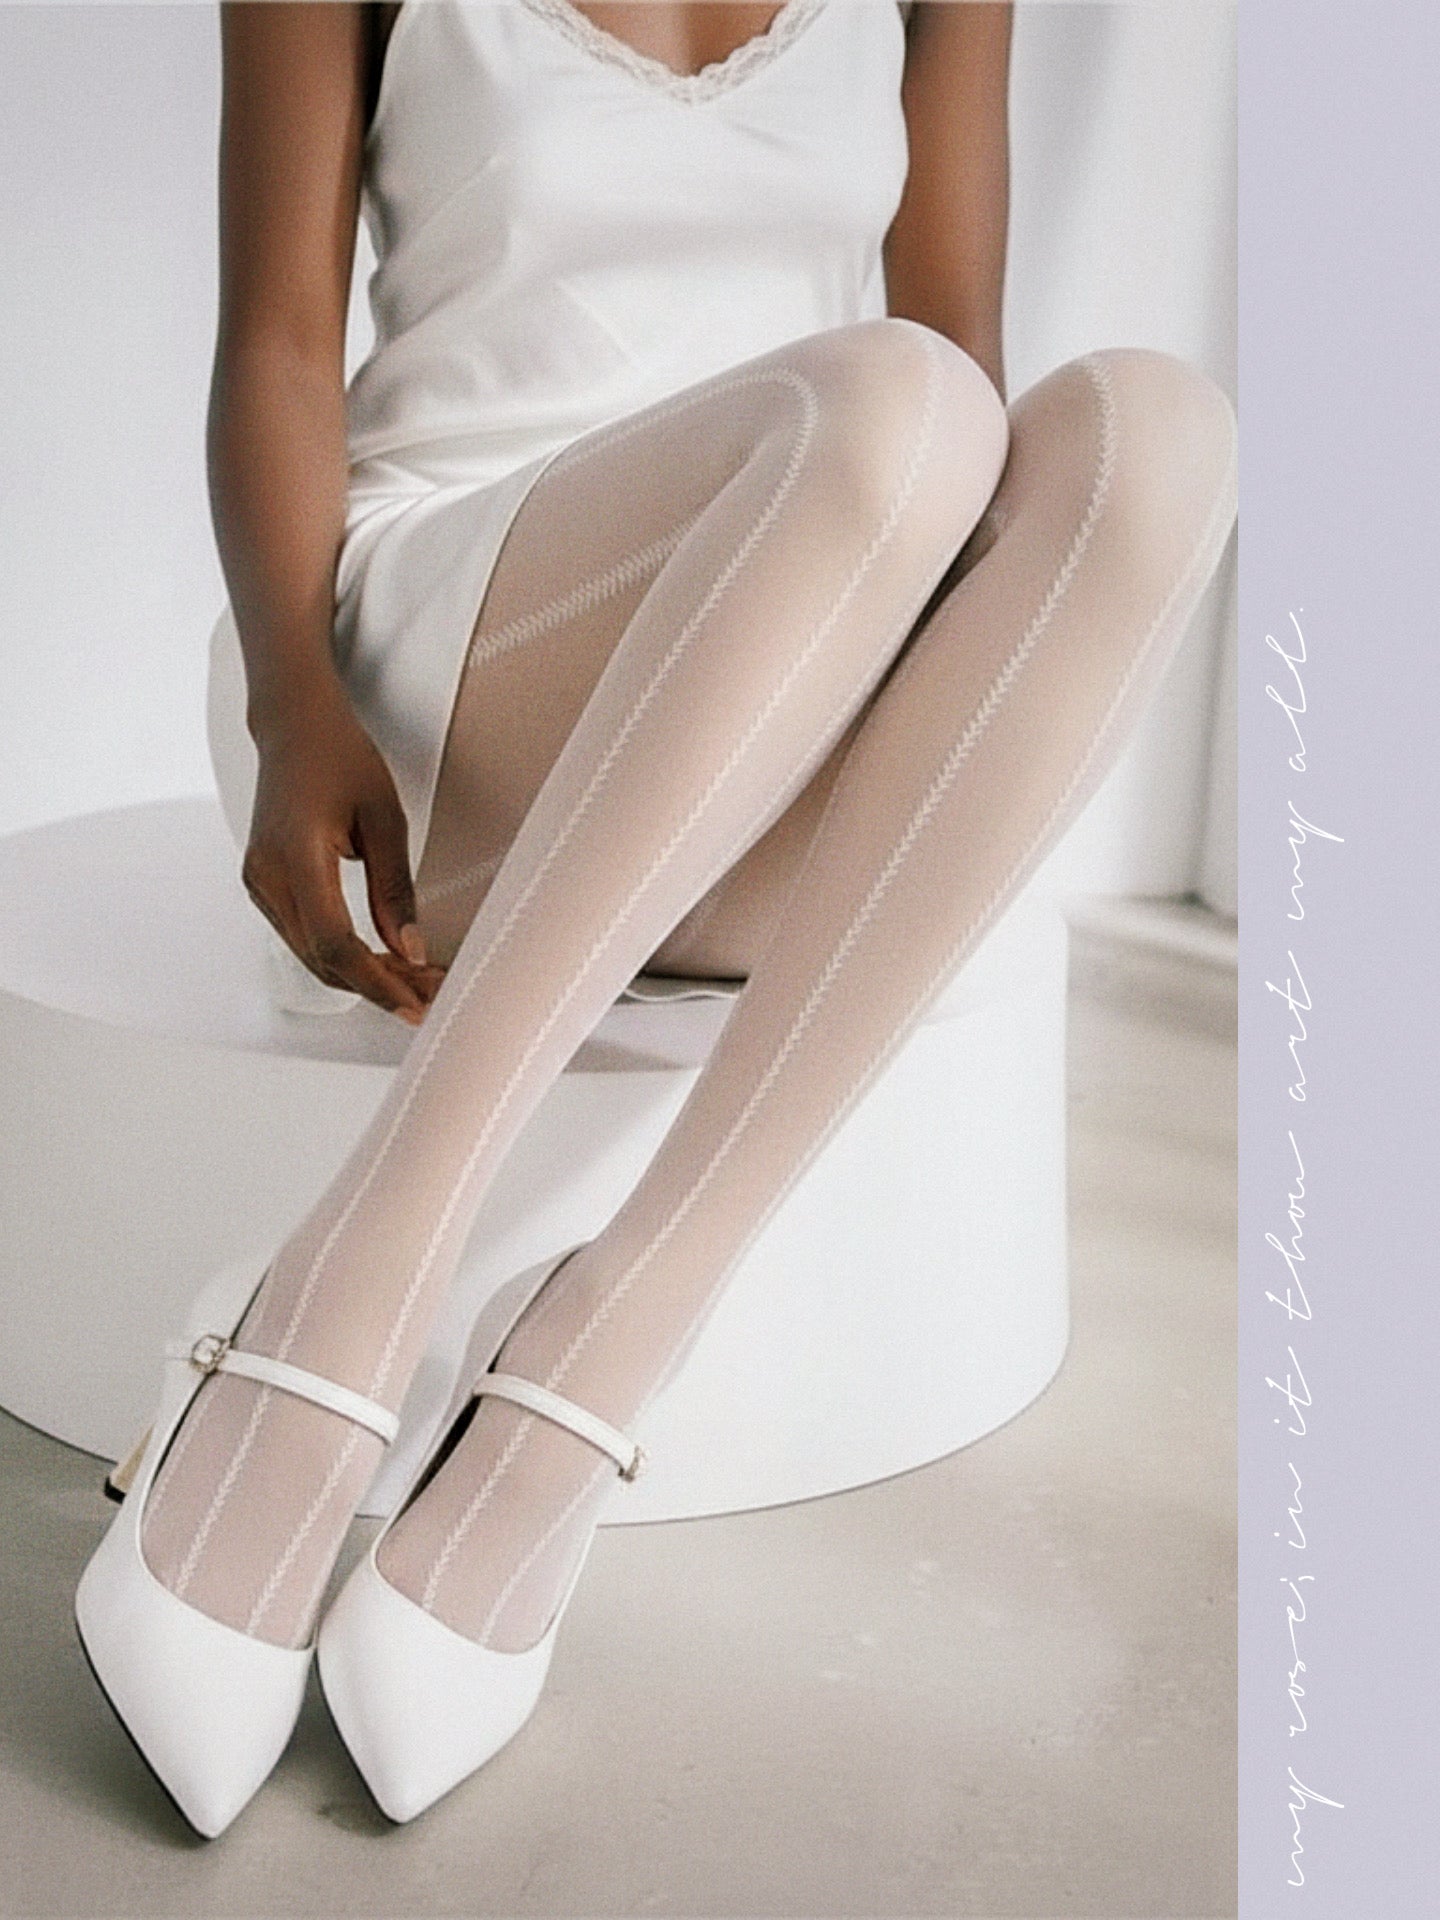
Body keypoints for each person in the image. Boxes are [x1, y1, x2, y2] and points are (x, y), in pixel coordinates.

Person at [75, 0, 1238, 1836]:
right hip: (443, 685)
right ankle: (336, 1307)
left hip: (778, 684)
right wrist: (294, 700)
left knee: (1154, 434)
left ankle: (602, 1339)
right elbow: (283, 342)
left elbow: (976, 390)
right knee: (899, 401)